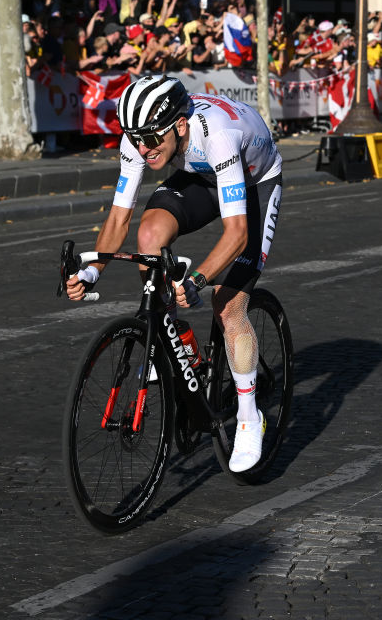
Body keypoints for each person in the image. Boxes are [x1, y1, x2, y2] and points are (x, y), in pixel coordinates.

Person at [65, 75, 283, 473]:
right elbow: (120, 216)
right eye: (135, 138)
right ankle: (173, 339)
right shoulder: (144, 139)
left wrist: (197, 280)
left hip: (254, 182)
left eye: (151, 138)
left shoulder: (217, 135)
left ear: (179, 125)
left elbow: (237, 234)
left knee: (227, 304)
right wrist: (93, 270)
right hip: (201, 174)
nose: (144, 148)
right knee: (150, 235)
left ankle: (251, 417)